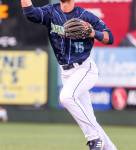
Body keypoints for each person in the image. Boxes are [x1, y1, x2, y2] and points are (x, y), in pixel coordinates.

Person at [21, 0, 117, 150]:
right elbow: (30, 13)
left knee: (66, 97)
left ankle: (93, 139)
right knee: (90, 120)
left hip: (85, 69)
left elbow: (110, 38)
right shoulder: (51, 12)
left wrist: (93, 32)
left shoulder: (85, 15)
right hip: (66, 72)